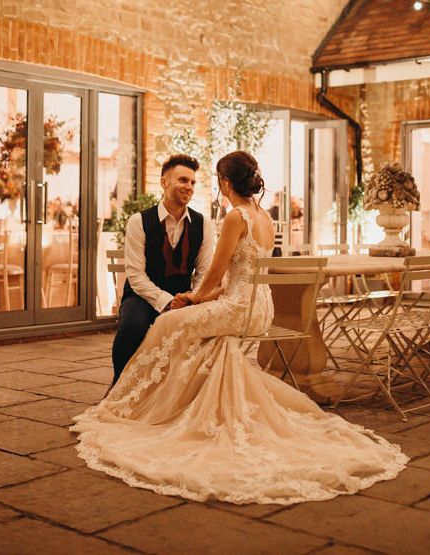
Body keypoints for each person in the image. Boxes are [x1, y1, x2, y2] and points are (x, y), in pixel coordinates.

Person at [72, 150, 407, 506]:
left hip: (237, 308)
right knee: (200, 337)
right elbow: (234, 277)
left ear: (225, 183)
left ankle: (145, 403)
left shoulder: (234, 218)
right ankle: (181, 399)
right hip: (259, 306)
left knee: (170, 324)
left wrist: (193, 298)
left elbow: (215, 275)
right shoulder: (262, 215)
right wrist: (199, 297)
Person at [110, 154, 215, 386]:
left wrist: (193, 298)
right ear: (164, 182)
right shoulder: (139, 222)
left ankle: (180, 391)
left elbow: (205, 272)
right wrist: (167, 302)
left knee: (205, 330)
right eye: (182, 180)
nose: (188, 187)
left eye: (192, 182)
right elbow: (136, 276)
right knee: (132, 328)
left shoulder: (204, 224)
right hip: (142, 296)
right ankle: (120, 387)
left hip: (186, 297)